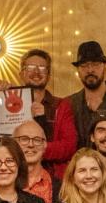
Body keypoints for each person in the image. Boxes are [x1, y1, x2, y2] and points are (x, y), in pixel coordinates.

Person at [19, 49, 78, 177]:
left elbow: (69, 147)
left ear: (49, 75)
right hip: (18, 177)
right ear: (21, 73)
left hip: (53, 178)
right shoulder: (10, 104)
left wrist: (29, 150)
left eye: (42, 68)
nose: (36, 72)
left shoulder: (61, 105)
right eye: (30, 67)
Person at [66, 41, 106, 149]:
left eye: (95, 64)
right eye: (84, 65)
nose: (90, 70)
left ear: (105, 66)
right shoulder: (69, 104)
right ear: (78, 70)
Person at [12, 119, 59, 203]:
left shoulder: (60, 187)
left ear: (45, 145)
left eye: (37, 140)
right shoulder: (3, 183)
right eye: (24, 139)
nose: (31, 145)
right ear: (13, 143)